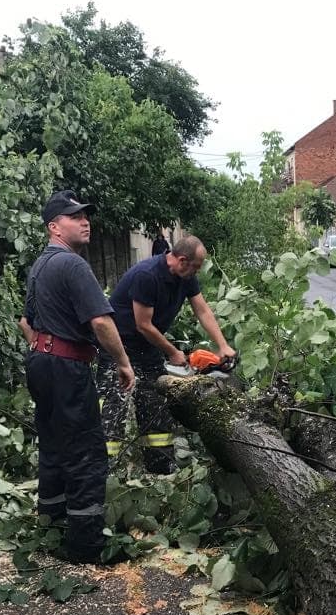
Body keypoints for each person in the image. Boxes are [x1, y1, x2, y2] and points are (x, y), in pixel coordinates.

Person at [19, 189, 135, 564]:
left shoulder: (40, 265)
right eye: (75, 216)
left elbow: (26, 322)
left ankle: (52, 524)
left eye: (86, 215)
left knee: (54, 444)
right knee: (86, 452)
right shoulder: (72, 265)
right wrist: (122, 362)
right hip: (66, 367)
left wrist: (44, 348)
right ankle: (86, 546)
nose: (85, 221)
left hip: (41, 362)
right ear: (54, 226)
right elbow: (100, 321)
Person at [98, 236, 235, 474]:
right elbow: (143, 324)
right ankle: (104, 473)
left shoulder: (186, 278)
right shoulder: (147, 275)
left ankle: (160, 472)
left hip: (148, 349)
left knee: (156, 410)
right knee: (113, 411)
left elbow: (201, 309)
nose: (197, 272)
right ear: (182, 261)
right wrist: (172, 352)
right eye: (196, 267)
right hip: (119, 349)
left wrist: (222, 346)